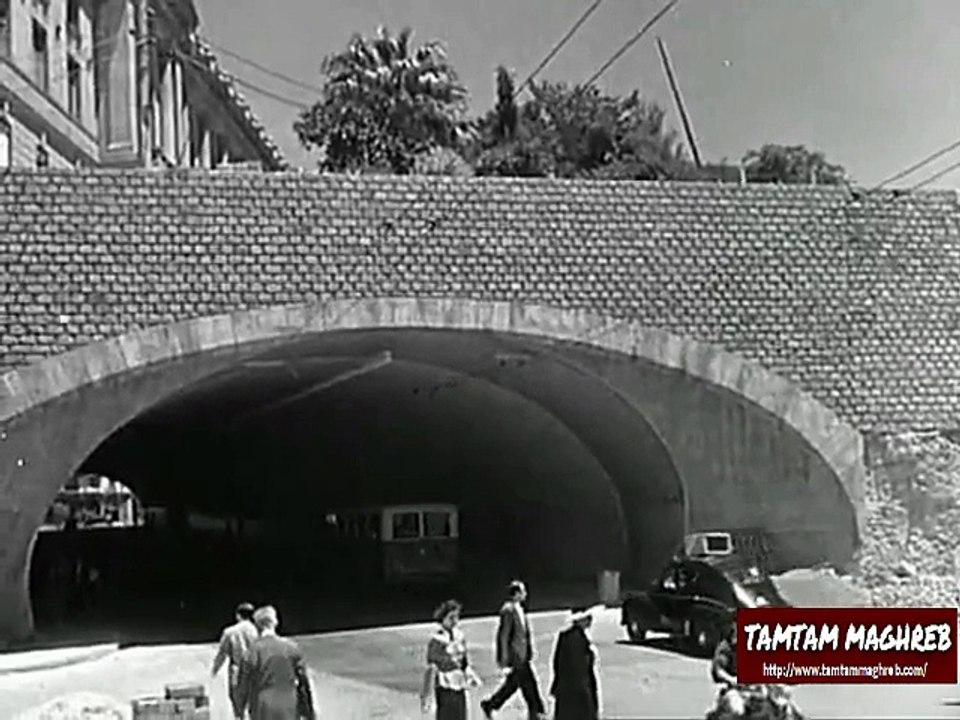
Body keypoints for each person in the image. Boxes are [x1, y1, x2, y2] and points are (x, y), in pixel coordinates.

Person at [480, 580, 546, 720]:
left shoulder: (520, 609)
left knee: (518, 685)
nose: (525, 594)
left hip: (523, 655)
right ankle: (537, 711)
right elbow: (504, 635)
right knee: (524, 685)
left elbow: (524, 634)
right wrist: (504, 658)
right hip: (516, 656)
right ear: (516, 594)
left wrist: (529, 650)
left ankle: (492, 704)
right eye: (522, 591)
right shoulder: (508, 610)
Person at [236, 605, 316, 720]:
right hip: (289, 703)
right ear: (275, 622)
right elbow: (304, 682)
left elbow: (242, 685)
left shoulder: (251, 652)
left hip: (261, 705)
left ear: (257, 626)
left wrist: (240, 711)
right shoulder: (292, 648)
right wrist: (309, 711)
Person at [420, 599, 482, 720]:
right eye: (451, 618)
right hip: (445, 686)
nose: (454, 621)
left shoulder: (460, 636)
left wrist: (470, 675)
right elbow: (432, 666)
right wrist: (427, 695)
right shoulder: (437, 640)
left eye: (456, 617)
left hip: (459, 685)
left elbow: (464, 661)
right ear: (443, 619)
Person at [550, 606, 601, 720]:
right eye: (588, 619)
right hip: (577, 689)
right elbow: (580, 666)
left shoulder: (565, 636)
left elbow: (557, 662)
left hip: (566, 688)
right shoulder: (576, 639)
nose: (590, 622)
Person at [212, 602, 260, 719]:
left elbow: (222, 654)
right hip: (256, 671)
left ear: (238, 615)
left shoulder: (230, 632)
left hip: (237, 672)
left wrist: (215, 669)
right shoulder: (258, 631)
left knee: (238, 708)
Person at [710, 620, 745, 717]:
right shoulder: (726, 647)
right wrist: (732, 679)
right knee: (738, 710)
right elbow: (719, 670)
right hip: (733, 688)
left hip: (754, 690)